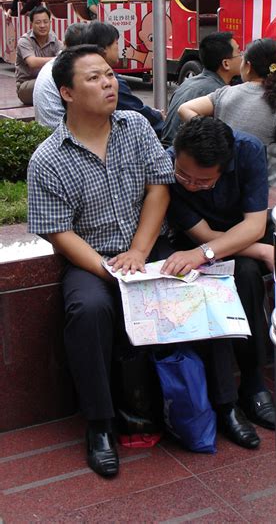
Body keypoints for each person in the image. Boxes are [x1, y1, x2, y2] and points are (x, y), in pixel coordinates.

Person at [27, 45, 174, 478]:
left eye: (109, 74)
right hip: (93, 258)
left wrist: (141, 254)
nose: (109, 83)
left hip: (147, 248)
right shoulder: (48, 159)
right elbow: (59, 231)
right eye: (94, 78)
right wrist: (108, 269)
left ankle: (226, 403)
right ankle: (100, 424)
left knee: (200, 286)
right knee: (89, 309)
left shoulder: (137, 127)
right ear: (67, 92)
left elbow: (159, 188)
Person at [162, 116, 276, 449]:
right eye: (184, 176)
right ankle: (225, 402)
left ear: (223, 168)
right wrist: (261, 251)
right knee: (223, 280)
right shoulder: (170, 165)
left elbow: (255, 223)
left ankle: (254, 386)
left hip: (237, 238)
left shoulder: (248, 151)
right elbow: (204, 235)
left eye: (203, 181)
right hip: (203, 242)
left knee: (247, 276)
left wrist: (220, 250)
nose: (190, 184)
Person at [179, 37, 276, 147]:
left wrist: (212, 135)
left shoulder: (225, 93)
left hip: (222, 167)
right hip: (258, 169)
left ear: (248, 66)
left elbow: (184, 109)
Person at [161, 32, 242, 148]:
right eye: (239, 52)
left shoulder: (187, 83)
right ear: (226, 64)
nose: (242, 57)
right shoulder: (217, 93)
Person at [84, 21, 165, 136]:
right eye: (116, 44)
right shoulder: (112, 82)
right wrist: (157, 115)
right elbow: (136, 111)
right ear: (104, 49)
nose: (118, 48)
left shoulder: (81, 75)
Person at [33, 22, 88, 128]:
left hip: (49, 130)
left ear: (64, 43)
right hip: (60, 133)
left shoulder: (58, 62)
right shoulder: (70, 68)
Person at [15, 6, 62, 105]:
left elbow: (65, 55)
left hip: (47, 81)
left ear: (50, 23)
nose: (42, 25)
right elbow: (32, 62)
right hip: (26, 86)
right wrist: (58, 58)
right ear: (31, 24)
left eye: (45, 22)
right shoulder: (24, 41)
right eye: (38, 22)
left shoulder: (54, 39)